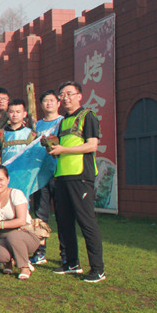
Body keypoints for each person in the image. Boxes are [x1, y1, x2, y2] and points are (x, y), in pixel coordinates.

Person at [48, 81, 105, 283]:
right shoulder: (63, 121)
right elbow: (62, 148)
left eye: (69, 94)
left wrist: (64, 150)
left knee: (86, 222)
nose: (65, 98)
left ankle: (98, 269)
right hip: (62, 176)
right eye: (62, 95)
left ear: (79, 96)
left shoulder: (88, 116)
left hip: (80, 176)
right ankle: (71, 263)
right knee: (64, 222)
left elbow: (92, 146)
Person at [0, 166, 42, 280]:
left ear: (8, 180)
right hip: (4, 237)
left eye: (1, 179)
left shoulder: (16, 194)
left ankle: (24, 267)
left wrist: (0, 225)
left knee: (13, 236)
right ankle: (9, 263)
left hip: (25, 235)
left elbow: (21, 220)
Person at [29, 90, 64, 266]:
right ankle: (39, 252)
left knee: (62, 215)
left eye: (52, 100)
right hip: (40, 175)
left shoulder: (63, 122)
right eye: (45, 101)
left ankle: (66, 254)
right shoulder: (37, 125)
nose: (49, 103)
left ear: (58, 103)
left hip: (59, 173)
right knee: (40, 215)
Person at [0, 99, 36, 164]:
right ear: (7, 114)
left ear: (24, 114)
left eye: (18, 112)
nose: (15, 115)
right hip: (6, 169)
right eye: (11, 112)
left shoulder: (31, 134)